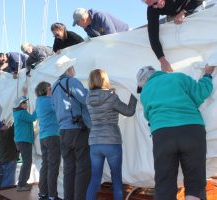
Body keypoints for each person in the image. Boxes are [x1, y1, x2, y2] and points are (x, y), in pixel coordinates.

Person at [137, 64, 215, 200]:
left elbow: (148, 115)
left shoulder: (145, 91)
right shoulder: (179, 77)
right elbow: (201, 92)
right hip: (191, 130)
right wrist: (207, 75)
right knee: (195, 182)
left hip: (163, 135)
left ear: (143, 83)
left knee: (164, 183)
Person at [85, 69, 137, 200]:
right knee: (117, 179)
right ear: (104, 80)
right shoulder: (111, 97)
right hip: (111, 141)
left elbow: (100, 99)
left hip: (95, 142)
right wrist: (134, 94)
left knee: (95, 179)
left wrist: (110, 93)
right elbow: (129, 111)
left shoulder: (87, 98)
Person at [52, 55, 91, 200]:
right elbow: (86, 99)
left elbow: (54, 107)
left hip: (63, 130)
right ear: (68, 69)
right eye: (72, 66)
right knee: (83, 167)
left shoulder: (55, 86)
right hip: (77, 129)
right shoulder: (72, 81)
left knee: (69, 169)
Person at [143, 0, 204, 72]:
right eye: (150, 5)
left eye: (155, 3)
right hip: (173, 14)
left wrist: (183, 12)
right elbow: (153, 35)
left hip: (192, 4)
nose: (154, 7)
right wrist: (163, 61)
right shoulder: (152, 8)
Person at [35, 81, 61, 200]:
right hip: (53, 136)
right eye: (49, 89)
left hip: (43, 137)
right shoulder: (48, 101)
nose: (51, 91)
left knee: (45, 165)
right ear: (44, 91)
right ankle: (52, 195)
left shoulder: (38, 101)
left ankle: (43, 192)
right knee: (53, 166)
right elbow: (60, 108)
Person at [13, 95, 37, 191]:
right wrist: (38, 108)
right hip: (24, 140)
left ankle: (23, 183)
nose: (25, 104)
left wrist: (24, 92)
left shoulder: (19, 112)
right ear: (19, 105)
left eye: (25, 102)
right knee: (27, 162)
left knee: (27, 162)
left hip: (23, 140)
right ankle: (21, 184)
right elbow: (32, 118)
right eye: (23, 103)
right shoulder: (22, 113)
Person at [0, 121, 19, 187]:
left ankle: (2, 194)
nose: (5, 125)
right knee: (9, 181)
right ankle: (6, 195)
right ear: (1, 128)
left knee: (6, 178)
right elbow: (15, 125)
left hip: (4, 160)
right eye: (3, 125)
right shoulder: (6, 134)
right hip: (10, 160)